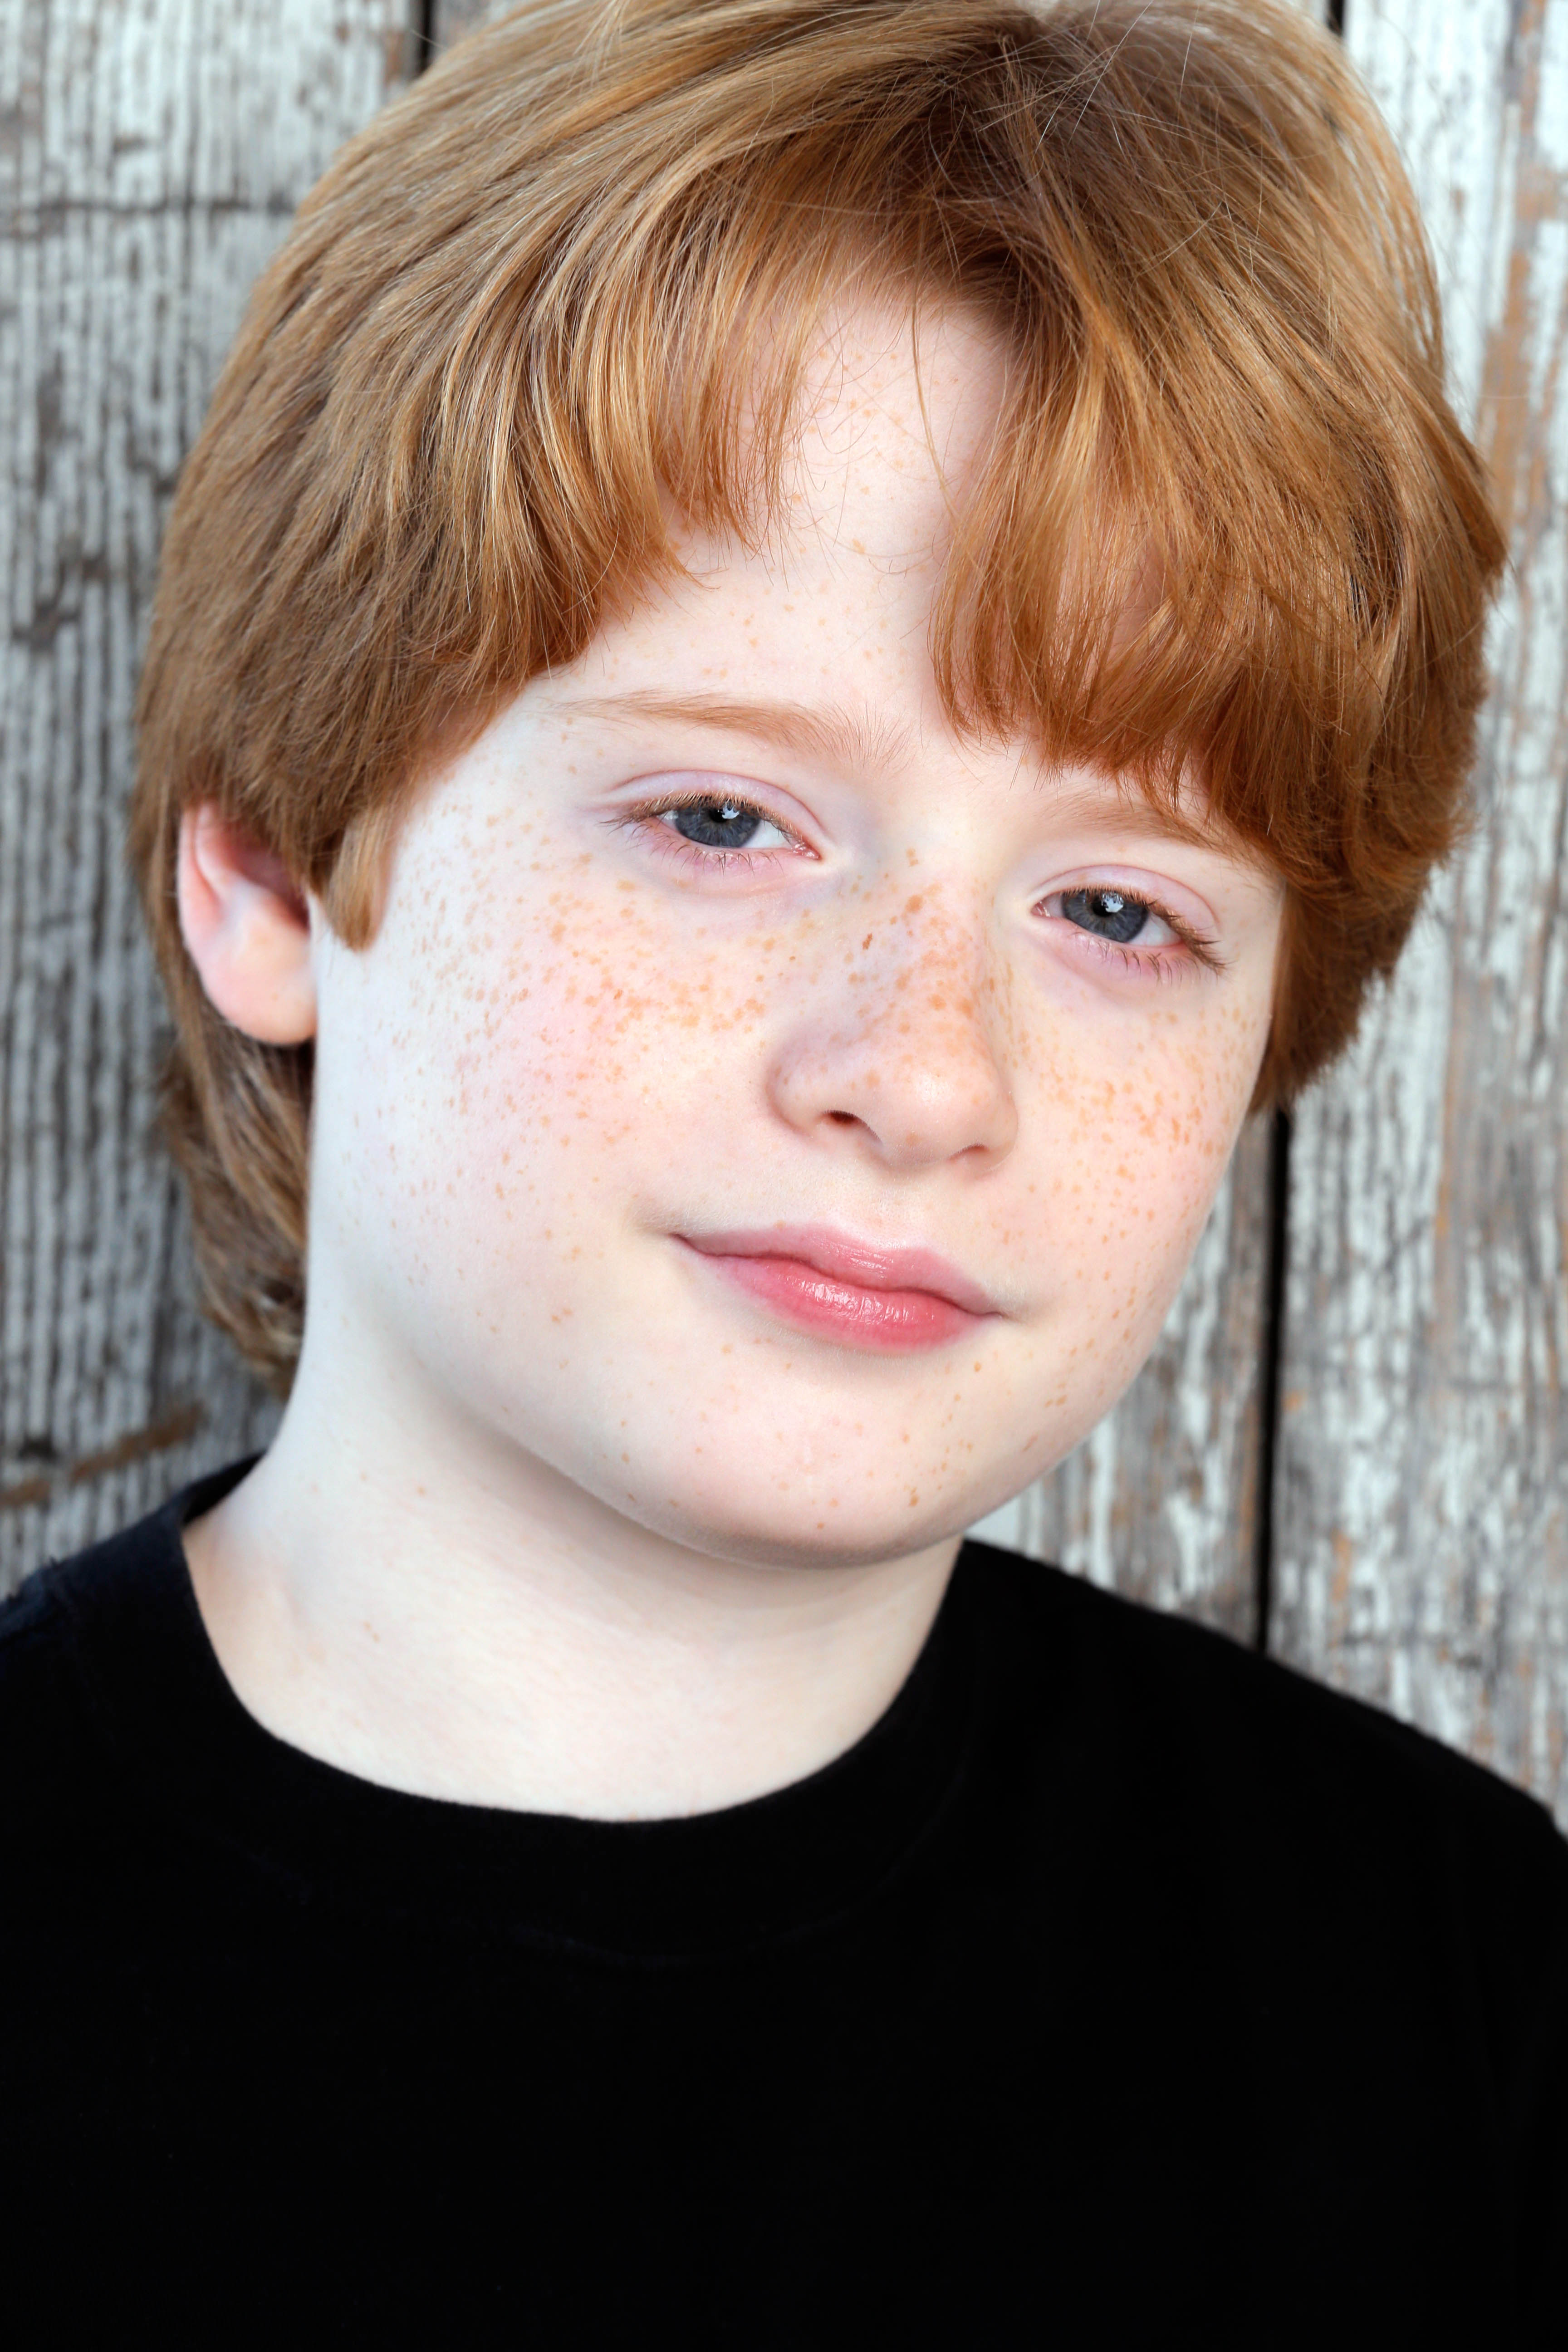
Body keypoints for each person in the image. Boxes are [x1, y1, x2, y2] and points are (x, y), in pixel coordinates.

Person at [4, 0, 1563, 2338]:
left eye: (1115, 909)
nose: (923, 1079)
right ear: (270, 873)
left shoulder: (1463, 2007)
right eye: (724, 820)